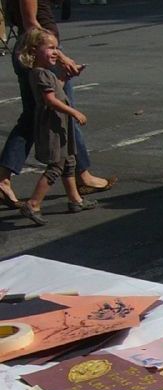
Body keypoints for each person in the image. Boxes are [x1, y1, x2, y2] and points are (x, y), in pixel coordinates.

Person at [0, 0, 114, 209]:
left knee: (31, 118)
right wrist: (59, 55)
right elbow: (30, 23)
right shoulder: (44, 56)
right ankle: (76, 179)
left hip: (39, 51)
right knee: (62, 115)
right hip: (40, 54)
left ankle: (5, 179)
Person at [15, 27, 94, 224]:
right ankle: (33, 204)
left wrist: (67, 77)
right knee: (56, 166)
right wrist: (74, 112)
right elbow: (50, 100)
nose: (56, 52)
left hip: (59, 124)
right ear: (34, 51)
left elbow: (56, 88)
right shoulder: (39, 74)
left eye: (57, 48)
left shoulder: (46, 73)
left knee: (69, 161)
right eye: (50, 48)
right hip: (52, 126)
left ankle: (75, 200)